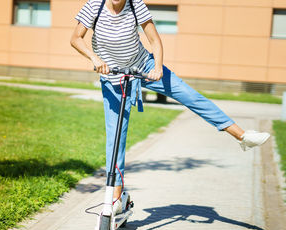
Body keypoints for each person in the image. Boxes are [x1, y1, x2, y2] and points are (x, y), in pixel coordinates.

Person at [70, 0, 270, 214]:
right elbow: (75, 38)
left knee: (190, 95)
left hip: (144, 67)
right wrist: (94, 57)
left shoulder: (135, 5)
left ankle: (242, 136)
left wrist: (157, 67)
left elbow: (155, 41)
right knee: (115, 138)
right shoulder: (94, 6)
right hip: (113, 77)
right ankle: (116, 199)